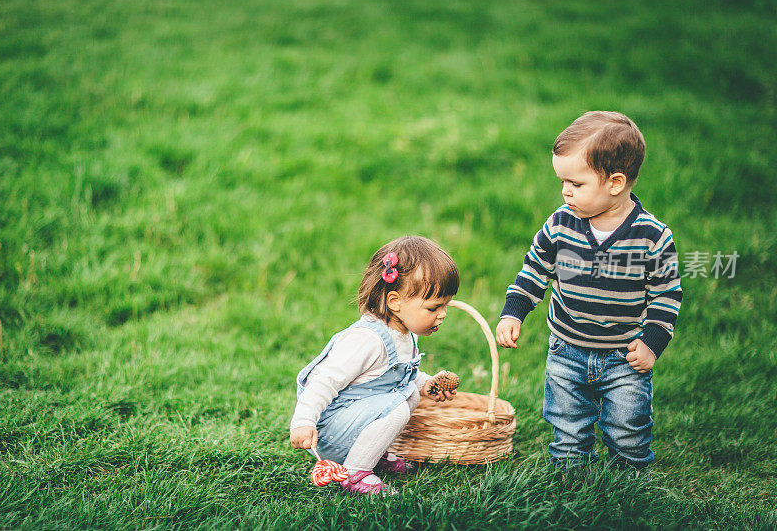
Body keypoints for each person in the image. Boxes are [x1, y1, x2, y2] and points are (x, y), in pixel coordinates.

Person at [496, 111, 682, 469]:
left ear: (615, 183)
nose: (565, 191)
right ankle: (570, 480)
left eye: (576, 183)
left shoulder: (651, 236)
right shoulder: (560, 225)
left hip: (624, 355)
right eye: (562, 181)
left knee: (628, 428)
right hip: (566, 349)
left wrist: (653, 343)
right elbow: (534, 270)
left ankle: (627, 485)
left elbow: (666, 294)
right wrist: (513, 312)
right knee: (567, 427)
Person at [290, 235, 460, 494]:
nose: (443, 313)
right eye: (434, 307)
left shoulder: (405, 333)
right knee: (399, 408)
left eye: (445, 306)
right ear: (395, 302)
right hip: (331, 430)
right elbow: (325, 381)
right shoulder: (366, 340)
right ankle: (355, 474)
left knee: (410, 393)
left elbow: (400, 374)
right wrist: (303, 420)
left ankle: (372, 453)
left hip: (355, 421)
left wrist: (426, 384)